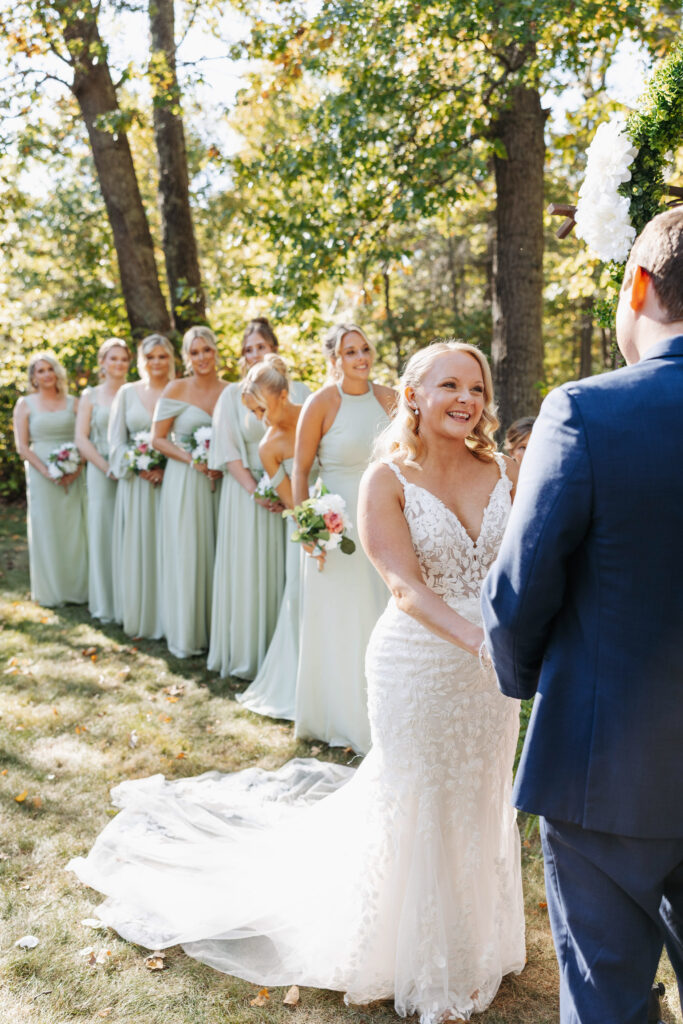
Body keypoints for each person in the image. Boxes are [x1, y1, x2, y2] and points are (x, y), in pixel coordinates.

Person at [67, 341, 525, 1024]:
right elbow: (401, 587)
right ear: (412, 396)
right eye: (449, 386)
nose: (466, 400)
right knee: (421, 798)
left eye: (477, 390)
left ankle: (473, 940)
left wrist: (518, 636)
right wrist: (478, 640)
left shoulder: (503, 471)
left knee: (479, 794)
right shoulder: (385, 480)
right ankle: (422, 962)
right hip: (420, 664)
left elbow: (525, 566)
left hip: (490, 677)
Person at [481, 206, 683, 1024]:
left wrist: (532, 682)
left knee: (605, 1003)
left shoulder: (585, 413)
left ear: (637, 284)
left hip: (604, 775)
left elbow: (516, 594)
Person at [292, 324, 395, 754]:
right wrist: (307, 529)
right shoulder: (320, 403)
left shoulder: (390, 398)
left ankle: (387, 715)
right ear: (334, 359)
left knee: (380, 614)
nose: (361, 357)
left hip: (386, 516)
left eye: (365, 348)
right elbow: (300, 470)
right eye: (350, 351)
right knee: (340, 620)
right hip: (337, 527)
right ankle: (337, 717)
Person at [207, 318, 308, 680]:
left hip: (297, 494)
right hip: (248, 497)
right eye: (248, 349)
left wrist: (295, 493)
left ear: (274, 348)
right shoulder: (232, 396)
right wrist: (257, 491)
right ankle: (252, 654)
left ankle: (291, 654)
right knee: (251, 572)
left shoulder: (303, 391)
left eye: (260, 347)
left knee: (293, 576)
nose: (254, 354)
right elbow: (228, 450)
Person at [236, 354, 310, 720]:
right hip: (311, 527)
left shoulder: (319, 415)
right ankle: (302, 685)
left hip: (354, 512)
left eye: (260, 409)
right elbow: (294, 505)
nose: (259, 420)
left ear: (282, 396)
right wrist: (317, 529)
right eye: (252, 412)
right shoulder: (268, 447)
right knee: (300, 598)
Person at [152, 326, 225, 658]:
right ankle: (187, 632)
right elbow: (158, 439)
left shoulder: (231, 390)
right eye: (194, 352)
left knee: (218, 553)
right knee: (189, 551)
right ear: (186, 357)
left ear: (215, 352)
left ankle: (218, 631)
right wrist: (193, 459)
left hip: (223, 482)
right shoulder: (175, 388)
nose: (201, 358)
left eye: (206, 350)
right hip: (185, 481)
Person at [108, 334, 176, 640]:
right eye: (150, 357)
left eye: (162, 356)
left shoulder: (179, 390)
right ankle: (141, 614)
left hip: (173, 482)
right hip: (137, 487)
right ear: (142, 360)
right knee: (140, 545)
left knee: (171, 546)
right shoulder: (126, 393)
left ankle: (171, 616)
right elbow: (116, 442)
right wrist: (141, 465)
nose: (156, 363)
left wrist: (164, 466)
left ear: (171, 359)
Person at [13, 352, 87, 607]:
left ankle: (79, 588)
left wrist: (75, 470)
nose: (46, 375)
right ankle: (51, 590)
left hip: (75, 469)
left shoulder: (74, 402)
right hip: (40, 472)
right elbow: (22, 446)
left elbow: (85, 438)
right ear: (34, 377)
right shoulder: (25, 404)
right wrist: (47, 472)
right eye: (40, 371)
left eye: (49, 369)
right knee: (47, 528)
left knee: (76, 529)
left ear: (57, 372)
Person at [76, 337, 131, 622]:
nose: (119, 364)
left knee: (129, 532)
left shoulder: (134, 393)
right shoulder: (90, 397)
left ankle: (131, 600)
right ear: (103, 363)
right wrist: (107, 467)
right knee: (103, 532)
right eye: (113, 358)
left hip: (133, 471)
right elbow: (80, 438)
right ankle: (106, 603)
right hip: (100, 472)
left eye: (123, 359)